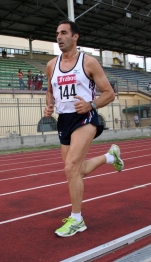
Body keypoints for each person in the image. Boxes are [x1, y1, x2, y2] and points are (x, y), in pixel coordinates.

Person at [44, 20, 124, 238]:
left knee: (70, 167)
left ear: (75, 36)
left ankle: (77, 219)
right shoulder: (51, 65)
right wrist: (49, 104)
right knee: (76, 171)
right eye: (57, 34)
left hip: (85, 117)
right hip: (64, 121)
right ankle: (109, 157)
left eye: (63, 33)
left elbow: (109, 93)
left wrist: (92, 104)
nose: (59, 37)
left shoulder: (88, 62)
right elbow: (50, 91)